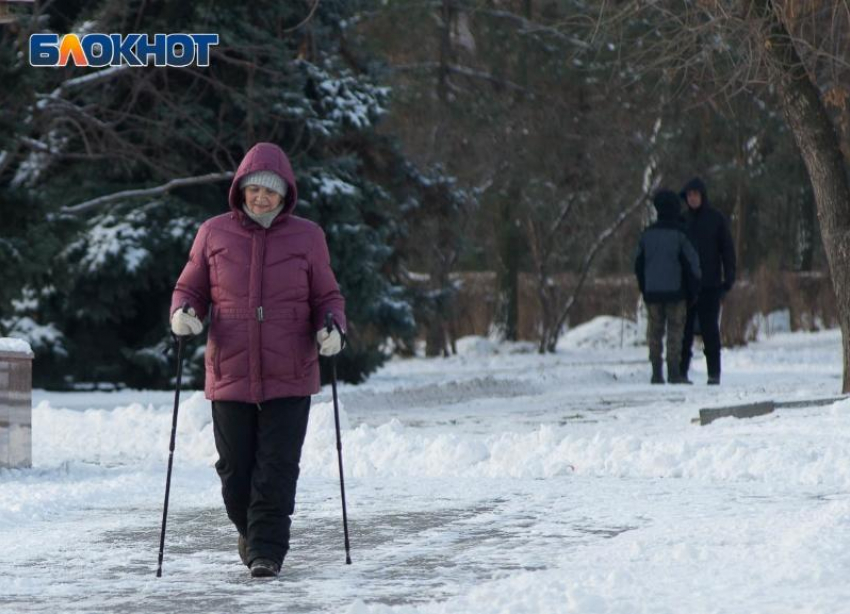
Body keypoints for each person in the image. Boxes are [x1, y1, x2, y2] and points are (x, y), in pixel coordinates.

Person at [170, 142, 346, 578]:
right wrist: (184, 313)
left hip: (291, 369)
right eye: (254, 190)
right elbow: (190, 287)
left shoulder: (308, 236)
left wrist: (331, 326)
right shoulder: (213, 232)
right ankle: (250, 531)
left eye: (271, 192)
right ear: (241, 190)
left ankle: (267, 550)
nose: (262, 198)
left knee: (277, 465)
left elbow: (327, 296)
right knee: (234, 470)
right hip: (230, 366)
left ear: (286, 194)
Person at [635, 189, 701, 384]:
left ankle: (656, 373)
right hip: (676, 292)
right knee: (675, 333)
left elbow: (637, 263)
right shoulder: (681, 234)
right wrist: (694, 289)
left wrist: (644, 287)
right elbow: (693, 263)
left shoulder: (647, 235)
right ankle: (674, 372)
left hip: (652, 292)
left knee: (654, 332)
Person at [678, 177, 736, 385]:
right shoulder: (682, 220)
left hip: (710, 284)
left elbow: (727, 250)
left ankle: (714, 373)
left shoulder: (715, 219)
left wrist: (728, 277)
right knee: (684, 331)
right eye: (689, 195)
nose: (692, 198)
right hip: (687, 286)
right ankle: (681, 372)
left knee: (710, 331)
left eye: (695, 194)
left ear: (702, 196)